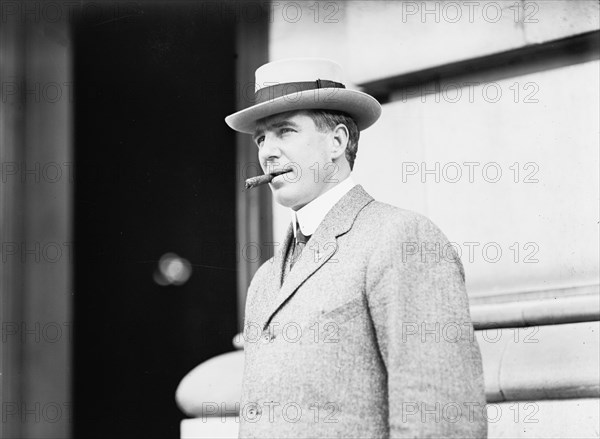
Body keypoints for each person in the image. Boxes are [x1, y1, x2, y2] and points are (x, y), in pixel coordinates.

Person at [225, 58, 487, 438]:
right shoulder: (265, 279)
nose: (268, 152)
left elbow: (440, 416)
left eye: (285, 131)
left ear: (338, 141)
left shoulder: (401, 239)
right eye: (262, 138)